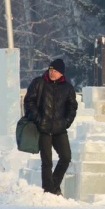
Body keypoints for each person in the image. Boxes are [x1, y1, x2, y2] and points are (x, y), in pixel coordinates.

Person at [23, 59, 78, 195]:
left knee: (66, 157)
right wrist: (39, 120)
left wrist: (66, 122)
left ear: (61, 73)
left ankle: (54, 185)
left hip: (60, 129)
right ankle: (49, 190)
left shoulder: (67, 87)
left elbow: (72, 107)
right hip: (43, 128)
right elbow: (29, 101)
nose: (52, 73)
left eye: (55, 71)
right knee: (46, 162)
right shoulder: (38, 83)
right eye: (51, 70)